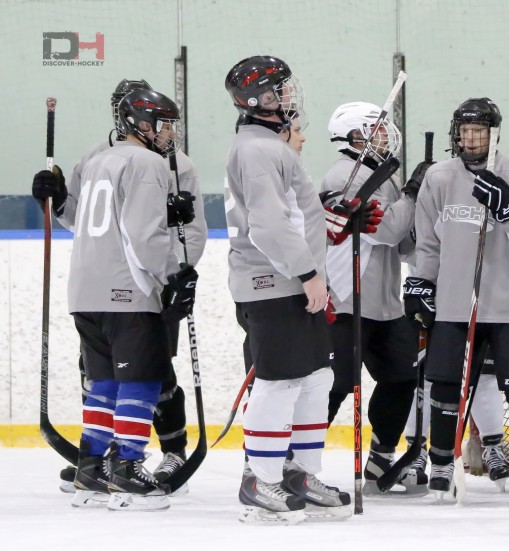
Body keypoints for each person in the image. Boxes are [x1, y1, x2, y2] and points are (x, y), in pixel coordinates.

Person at [31, 78, 205, 496]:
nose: (168, 134)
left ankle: (92, 465)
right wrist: (172, 276)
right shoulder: (145, 163)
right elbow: (142, 233)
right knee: (144, 378)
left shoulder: (103, 160)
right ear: (138, 122)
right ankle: (127, 462)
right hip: (130, 287)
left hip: (86, 290)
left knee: (105, 380)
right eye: (162, 125)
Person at [224, 55, 350, 524]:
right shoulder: (258, 149)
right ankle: (260, 478)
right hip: (272, 284)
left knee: (317, 378)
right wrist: (308, 274)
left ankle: (299, 472)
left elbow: (289, 215)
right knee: (279, 383)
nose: (288, 96)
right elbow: (268, 225)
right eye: (279, 90)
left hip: (289, 282)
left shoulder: (270, 147)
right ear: (257, 101)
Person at [410, 97, 509, 500]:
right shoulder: (439, 178)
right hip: (455, 305)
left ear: (494, 134)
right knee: (446, 386)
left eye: (479, 133)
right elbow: (428, 243)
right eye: (465, 133)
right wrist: (421, 283)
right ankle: (441, 464)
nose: (471, 140)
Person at [321, 101, 423, 493]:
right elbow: (385, 230)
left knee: (401, 375)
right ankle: (296, 457)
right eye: (376, 129)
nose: (386, 135)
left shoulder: (380, 174)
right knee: (336, 384)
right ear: (356, 136)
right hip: (346, 299)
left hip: (382, 304)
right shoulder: (347, 174)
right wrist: (413, 194)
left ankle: (381, 459)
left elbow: (400, 245)